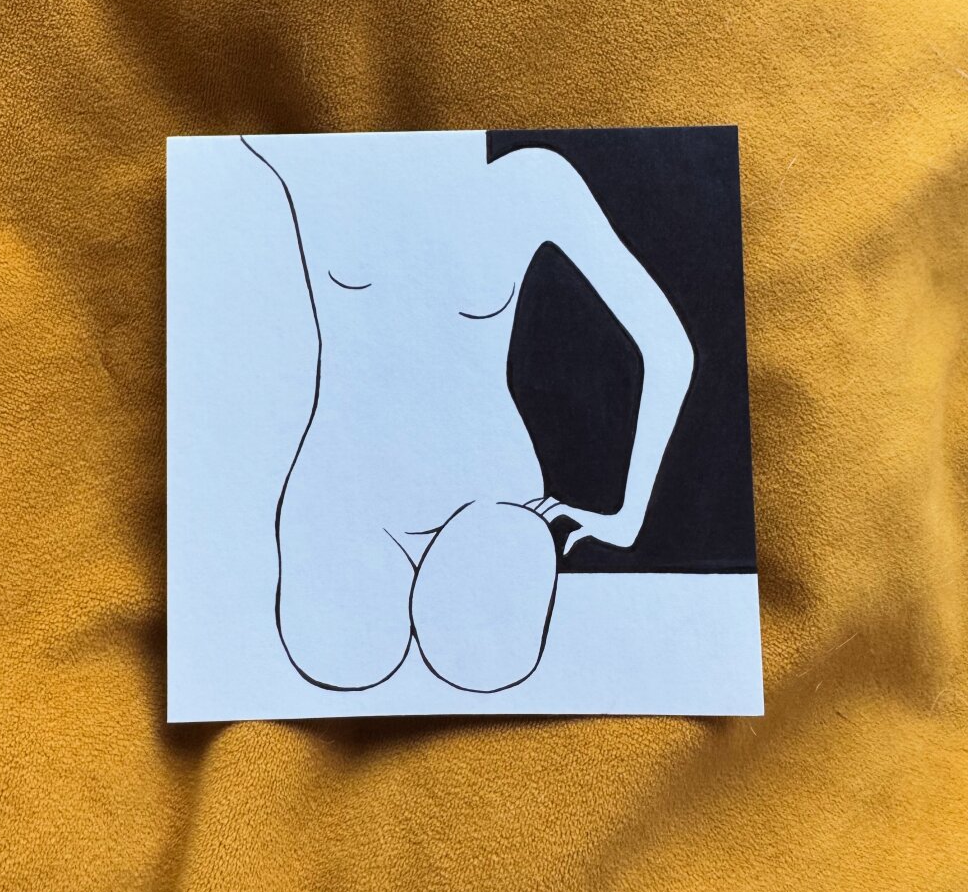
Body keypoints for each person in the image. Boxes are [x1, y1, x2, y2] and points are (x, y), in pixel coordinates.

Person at [241, 130, 694, 691]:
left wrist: (629, 518)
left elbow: (668, 346)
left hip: (489, 504)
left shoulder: (530, 182)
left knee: (484, 667)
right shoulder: (319, 163)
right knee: (341, 663)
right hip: (342, 497)